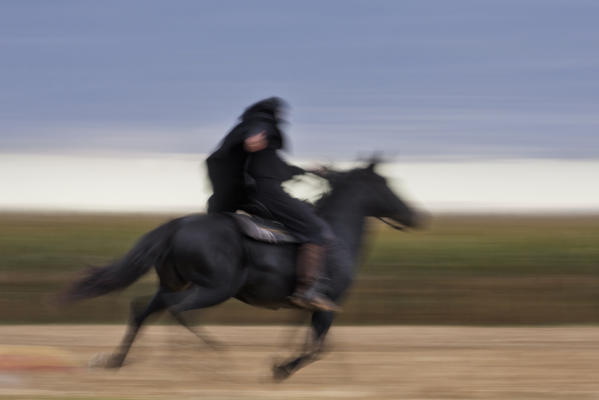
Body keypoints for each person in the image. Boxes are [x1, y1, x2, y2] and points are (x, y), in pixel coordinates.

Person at [206, 97, 340, 312]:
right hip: (268, 195)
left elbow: (275, 168)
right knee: (316, 230)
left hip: (240, 196)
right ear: (274, 113)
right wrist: (254, 138)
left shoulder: (243, 131)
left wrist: (308, 171)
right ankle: (306, 291)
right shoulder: (263, 124)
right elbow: (256, 137)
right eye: (281, 114)